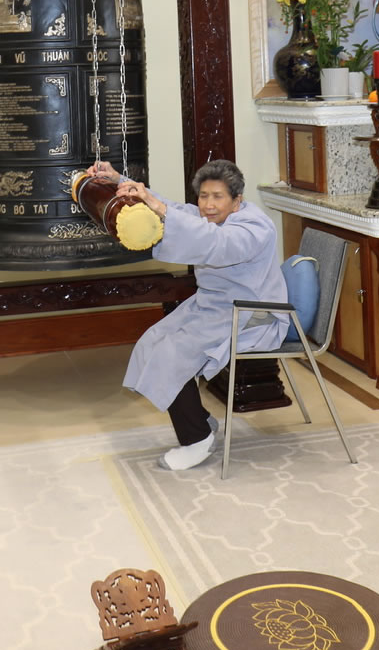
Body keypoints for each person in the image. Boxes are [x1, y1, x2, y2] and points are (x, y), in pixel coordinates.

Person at [86, 158, 286, 470]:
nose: (208, 205)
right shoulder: (209, 216)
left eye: (218, 197)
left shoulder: (254, 227)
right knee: (153, 342)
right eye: (203, 196)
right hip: (215, 306)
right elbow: (179, 212)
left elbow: (216, 242)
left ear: (237, 200)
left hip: (251, 313)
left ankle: (197, 439)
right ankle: (201, 420)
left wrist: (161, 208)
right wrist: (117, 180)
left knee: (171, 355)